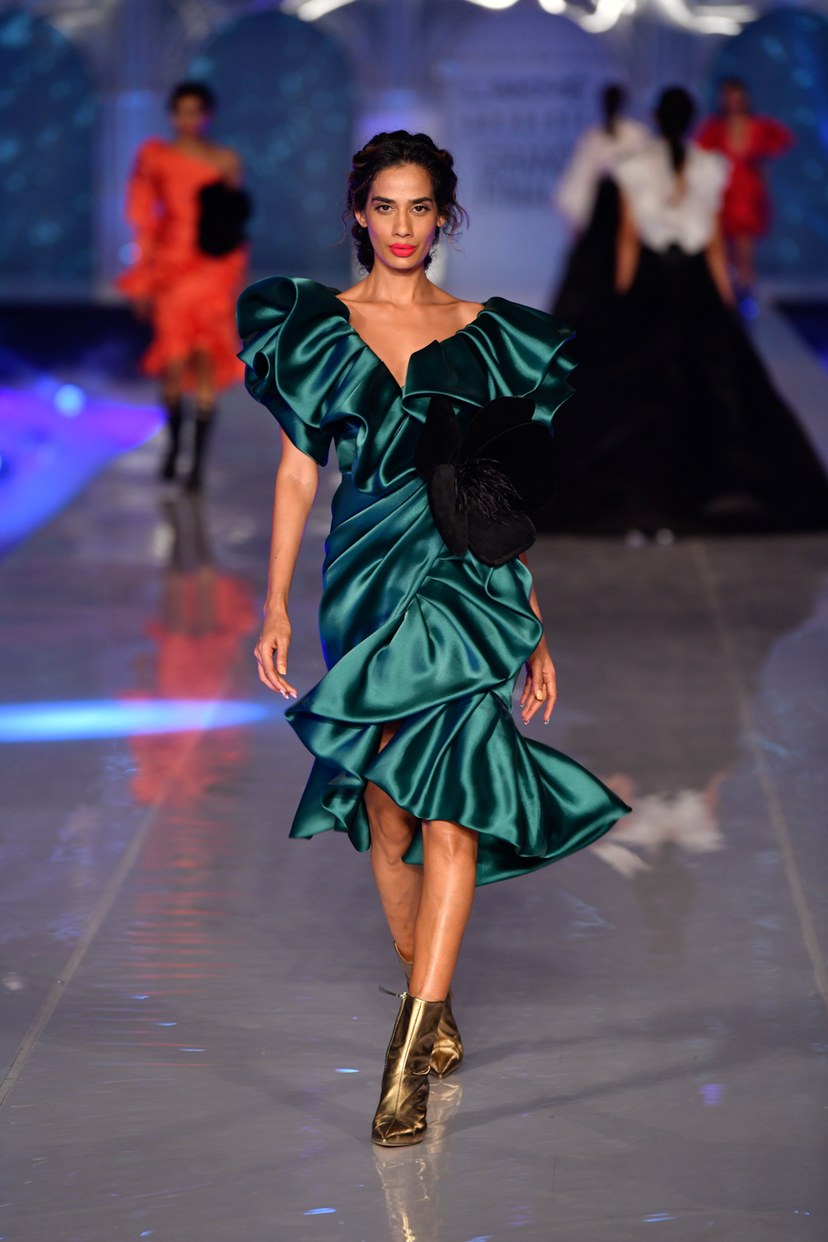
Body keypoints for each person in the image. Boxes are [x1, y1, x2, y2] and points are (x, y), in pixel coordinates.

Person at [237, 131, 630, 1148]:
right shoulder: (317, 329)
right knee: (388, 812)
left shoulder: (484, 334)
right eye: (386, 206)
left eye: (420, 207)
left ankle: (406, 1057)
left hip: (461, 584)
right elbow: (297, 474)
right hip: (364, 584)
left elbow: (497, 497)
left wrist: (530, 619)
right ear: (358, 214)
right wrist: (275, 603)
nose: (403, 226)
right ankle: (434, 996)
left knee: (452, 810)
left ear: (445, 216)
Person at [547, 87, 828, 536]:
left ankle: (652, 487)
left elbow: (629, 239)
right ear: (691, 119)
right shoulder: (707, 166)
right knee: (713, 383)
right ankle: (711, 486)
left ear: (657, 119)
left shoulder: (637, 166)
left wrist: (622, 295)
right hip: (695, 286)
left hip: (652, 284)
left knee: (643, 384)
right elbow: (713, 243)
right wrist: (725, 299)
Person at [118, 81, 249, 491]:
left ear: (208, 115)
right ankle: (176, 447)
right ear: (172, 115)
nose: (188, 119)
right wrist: (142, 278)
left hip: (213, 268)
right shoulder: (156, 157)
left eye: (195, 111)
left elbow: (233, 221)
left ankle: (196, 466)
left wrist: (235, 275)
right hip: (172, 267)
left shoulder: (225, 160)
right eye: (181, 111)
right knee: (174, 360)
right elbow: (144, 219)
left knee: (207, 353)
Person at [552, 84, 649, 326]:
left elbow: (644, 179)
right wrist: (577, 220)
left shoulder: (636, 135)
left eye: (612, 101)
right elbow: (580, 178)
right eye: (607, 102)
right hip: (599, 219)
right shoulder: (593, 137)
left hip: (628, 211)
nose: (609, 106)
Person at [696, 77, 793, 295]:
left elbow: (781, 141)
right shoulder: (715, 129)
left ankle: (746, 294)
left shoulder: (758, 126)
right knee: (723, 249)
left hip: (748, 194)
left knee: (745, 249)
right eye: (729, 97)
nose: (733, 102)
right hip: (723, 194)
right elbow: (699, 153)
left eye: (737, 97)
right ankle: (728, 294)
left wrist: (760, 163)